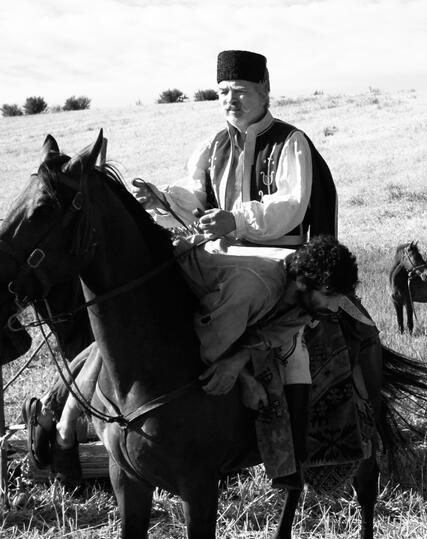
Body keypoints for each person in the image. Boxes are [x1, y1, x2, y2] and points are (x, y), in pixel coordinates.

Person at [25, 50, 339, 489]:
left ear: (265, 90)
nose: (231, 100)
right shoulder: (213, 144)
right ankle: (83, 402)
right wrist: (164, 199)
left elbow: (291, 205)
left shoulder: (291, 143)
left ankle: (206, 373)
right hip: (215, 249)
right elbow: (193, 191)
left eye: (241, 91)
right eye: (225, 92)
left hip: (271, 256)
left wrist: (237, 220)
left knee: (244, 288)